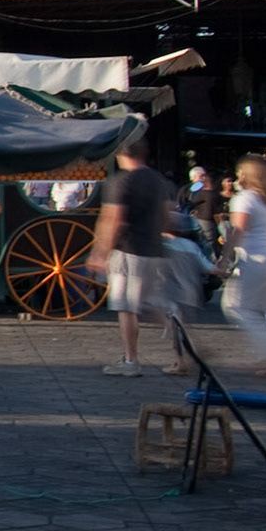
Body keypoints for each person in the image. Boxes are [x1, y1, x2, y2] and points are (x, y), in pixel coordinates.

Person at [89, 139, 174, 376]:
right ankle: (184, 352)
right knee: (154, 304)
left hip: (129, 250)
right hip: (155, 249)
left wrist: (100, 252)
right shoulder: (158, 180)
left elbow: (112, 219)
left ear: (119, 153)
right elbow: (168, 217)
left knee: (126, 307)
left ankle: (130, 360)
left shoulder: (122, 181)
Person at [221, 154, 266, 374]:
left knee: (235, 305)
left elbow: (238, 230)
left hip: (255, 259)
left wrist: (224, 258)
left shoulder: (245, 198)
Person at [160, 212, 215, 377]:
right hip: (191, 293)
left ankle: (181, 362)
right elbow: (208, 267)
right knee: (183, 327)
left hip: (170, 292)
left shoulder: (162, 244)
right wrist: (223, 269)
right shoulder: (191, 246)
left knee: (175, 329)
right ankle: (189, 358)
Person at [179, 165, 219, 257]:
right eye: (202, 176)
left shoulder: (200, 188)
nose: (204, 178)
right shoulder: (192, 189)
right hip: (199, 221)